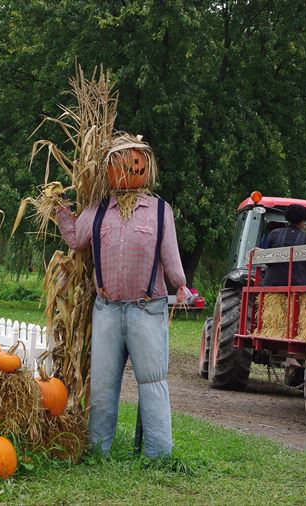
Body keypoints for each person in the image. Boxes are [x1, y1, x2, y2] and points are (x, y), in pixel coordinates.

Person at [55, 133, 191, 459]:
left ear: (147, 166)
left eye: (138, 162)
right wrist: (59, 209)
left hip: (147, 309)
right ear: (109, 168)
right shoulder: (98, 210)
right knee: (103, 385)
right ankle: (98, 451)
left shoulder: (159, 211)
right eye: (123, 162)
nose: (133, 168)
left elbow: (170, 255)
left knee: (152, 382)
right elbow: (76, 240)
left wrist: (180, 283)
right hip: (107, 310)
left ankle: (158, 455)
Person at [261, 204, 306, 286]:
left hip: (272, 283)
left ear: (287, 218)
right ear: (302, 221)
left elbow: (268, 262)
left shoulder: (274, 234)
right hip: (298, 284)